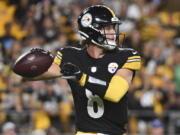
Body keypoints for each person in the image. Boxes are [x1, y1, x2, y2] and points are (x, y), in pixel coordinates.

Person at [19, 5, 141, 135]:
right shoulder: (70, 56)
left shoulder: (127, 56)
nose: (113, 32)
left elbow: (115, 93)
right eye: (108, 28)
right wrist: (32, 63)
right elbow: (30, 75)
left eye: (113, 28)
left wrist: (81, 77)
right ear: (92, 30)